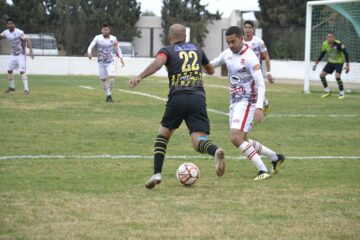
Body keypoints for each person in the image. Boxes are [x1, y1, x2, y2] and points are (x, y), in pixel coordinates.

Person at [129, 23, 225, 189]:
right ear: (185, 37)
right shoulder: (196, 49)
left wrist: (140, 76)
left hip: (178, 97)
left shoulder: (167, 50)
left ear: (169, 36)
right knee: (198, 140)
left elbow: (158, 63)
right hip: (198, 98)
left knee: (163, 136)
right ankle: (215, 151)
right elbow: (210, 70)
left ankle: (157, 173)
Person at [210, 26, 284, 181]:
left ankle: (262, 170)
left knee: (235, 138)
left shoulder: (250, 57)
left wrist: (258, 107)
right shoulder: (227, 53)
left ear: (241, 38)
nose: (230, 45)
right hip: (234, 102)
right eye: (228, 42)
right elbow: (212, 65)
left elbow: (260, 84)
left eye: (233, 41)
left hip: (247, 101)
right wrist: (196, 65)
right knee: (243, 139)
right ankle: (275, 157)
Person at [87, 23, 125, 102]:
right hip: (101, 62)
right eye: (104, 30)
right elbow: (90, 46)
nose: (105, 31)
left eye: (107, 29)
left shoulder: (113, 39)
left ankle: (109, 95)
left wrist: (121, 58)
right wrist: (89, 52)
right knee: (103, 80)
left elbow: (118, 49)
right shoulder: (97, 38)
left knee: (111, 79)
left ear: (109, 30)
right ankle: (108, 95)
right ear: (101, 30)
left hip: (110, 61)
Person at [243, 20, 272, 114]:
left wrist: (268, 72)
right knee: (248, 90)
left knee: (253, 90)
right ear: (244, 29)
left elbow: (266, 56)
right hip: (244, 71)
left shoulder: (259, 42)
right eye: (246, 27)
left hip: (256, 70)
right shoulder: (240, 42)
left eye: (249, 28)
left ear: (253, 29)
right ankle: (264, 102)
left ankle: (251, 112)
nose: (247, 29)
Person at [0, 18, 34, 96]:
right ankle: (12, 87)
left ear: (14, 25)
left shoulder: (19, 32)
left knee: (22, 71)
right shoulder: (6, 32)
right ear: (7, 25)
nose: (10, 25)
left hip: (21, 54)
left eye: (12, 23)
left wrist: (31, 51)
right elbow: (1, 36)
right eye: (9, 24)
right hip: (13, 54)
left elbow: (28, 39)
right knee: (9, 71)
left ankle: (26, 90)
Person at [313, 32, 350, 99]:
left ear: (334, 38)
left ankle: (342, 93)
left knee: (337, 76)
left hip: (339, 61)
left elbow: (346, 53)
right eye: (328, 37)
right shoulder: (324, 44)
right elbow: (322, 54)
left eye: (331, 37)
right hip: (330, 62)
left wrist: (347, 65)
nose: (329, 38)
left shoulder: (338, 43)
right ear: (326, 38)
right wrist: (316, 63)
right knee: (322, 75)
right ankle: (327, 92)